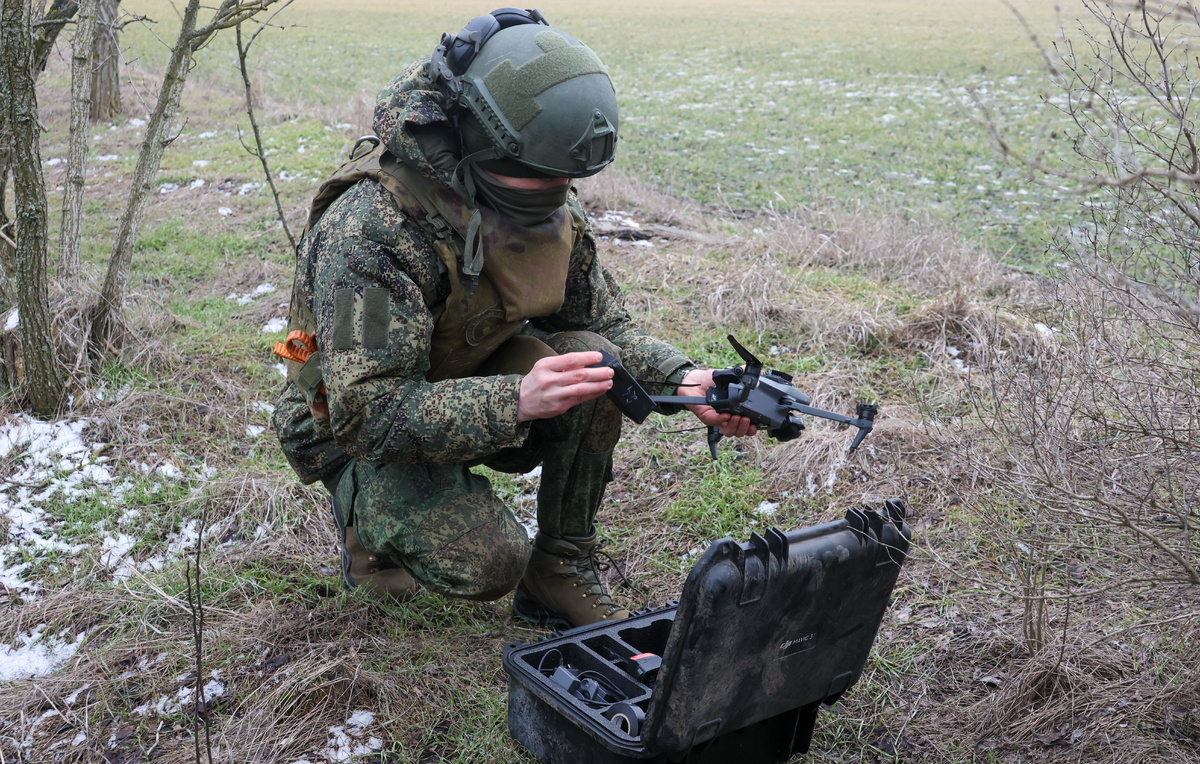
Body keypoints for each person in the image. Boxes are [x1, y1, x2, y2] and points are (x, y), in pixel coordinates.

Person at [271, 7, 754, 629]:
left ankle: (559, 569)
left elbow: (602, 326)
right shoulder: (374, 228)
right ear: (480, 137)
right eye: (536, 175)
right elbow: (368, 411)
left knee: (594, 363)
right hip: (348, 423)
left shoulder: (546, 201)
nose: (555, 191)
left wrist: (684, 380)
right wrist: (517, 402)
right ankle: (365, 513)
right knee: (486, 561)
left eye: (565, 178)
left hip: (462, 376)